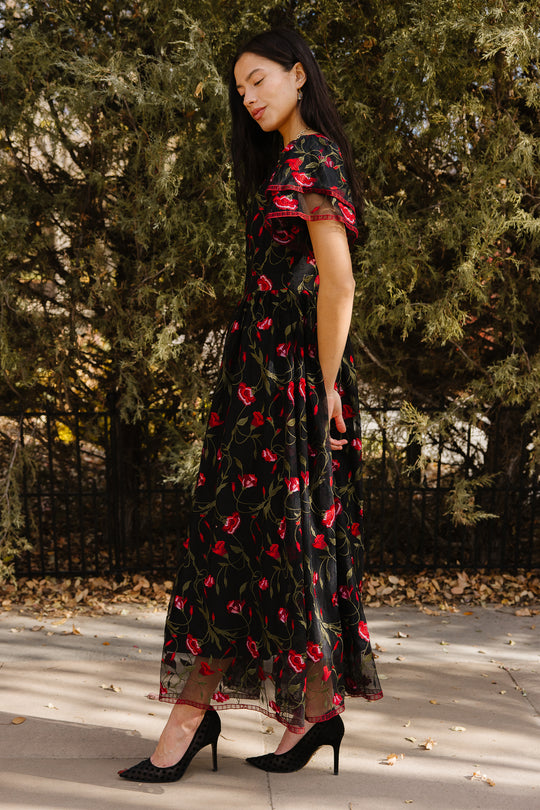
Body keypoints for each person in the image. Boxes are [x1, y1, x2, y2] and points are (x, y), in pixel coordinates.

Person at [119, 27, 382, 784]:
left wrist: (325, 385)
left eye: (260, 78)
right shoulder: (290, 163)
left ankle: (189, 720)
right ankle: (317, 710)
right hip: (259, 379)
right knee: (262, 543)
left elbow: (341, 283)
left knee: (237, 547)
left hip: (292, 383)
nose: (250, 96)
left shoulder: (316, 159)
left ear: (299, 75)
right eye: (241, 88)